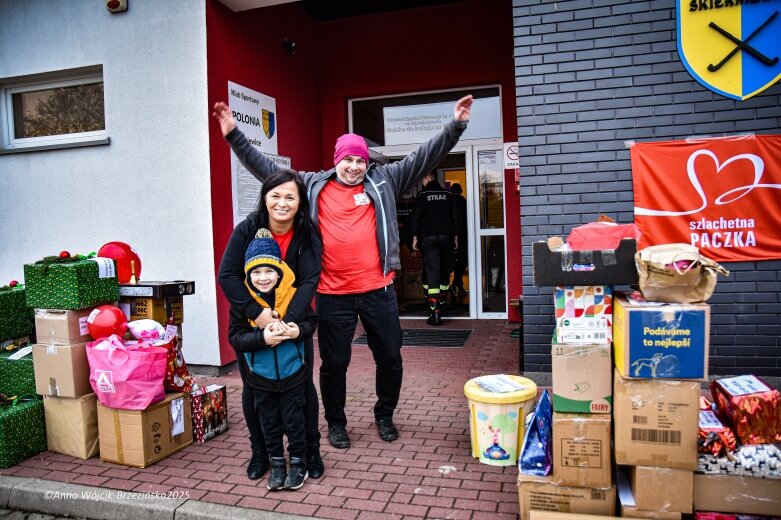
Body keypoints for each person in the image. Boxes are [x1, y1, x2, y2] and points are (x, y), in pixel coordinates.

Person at [213, 94, 472, 448]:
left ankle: (385, 415)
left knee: (391, 358)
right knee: (334, 364)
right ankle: (336, 422)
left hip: (378, 291)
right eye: (348, 160)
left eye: (360, 160)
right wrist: (233, 135)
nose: (354, 167)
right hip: (333, 294)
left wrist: (455, 125)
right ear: (337, 161)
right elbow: (268, 172)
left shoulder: (386, 181)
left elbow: (425, 155)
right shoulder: (313, 185)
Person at [218, 170, 324, 480]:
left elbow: (308, 281)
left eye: (290, 196)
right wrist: (257, 312)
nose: (282, 202)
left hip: (294, 319)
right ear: (265, 198)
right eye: (275, 195)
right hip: (251, 320)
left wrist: (288, 324)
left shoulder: (308, 232)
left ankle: (311, 452)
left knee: (302, 387)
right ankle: (260, 452)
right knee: (254, 388)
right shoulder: (247, 229)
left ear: (300, 201)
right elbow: (228, 275)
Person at [229, 228, 315, 491]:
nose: (263, 278)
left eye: (268, 271)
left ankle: (299, 463)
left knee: (294, 421)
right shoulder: (243, 304)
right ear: (247, 275)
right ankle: (277, 463)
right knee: (269, 424)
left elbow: (311, 322)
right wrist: (261, 339)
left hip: (292, 375)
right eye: (256, 272)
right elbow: (236, 337)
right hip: (261, 378)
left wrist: (297, 331)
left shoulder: (293, 298)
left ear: (279, 272)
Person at [409, 171, 458, 325]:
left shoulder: (422, 196)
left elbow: (416, 217)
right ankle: (442, 306)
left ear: (427, 178)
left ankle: (435, 312)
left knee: (432, 273)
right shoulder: (448, 195)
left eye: (422, 179)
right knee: (444, 270)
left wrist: (415, 237)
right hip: (446, 237)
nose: (422, 182)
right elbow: (455, 218)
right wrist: (456, 237)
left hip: (428, 238)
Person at [449, 183, 468, 298]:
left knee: (451, 261)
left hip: (450, 236)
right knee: (462, 260)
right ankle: (457, 283)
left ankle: (456, 284)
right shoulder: (463, 201)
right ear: (461, 191)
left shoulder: (448, 201)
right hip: (463, 235)